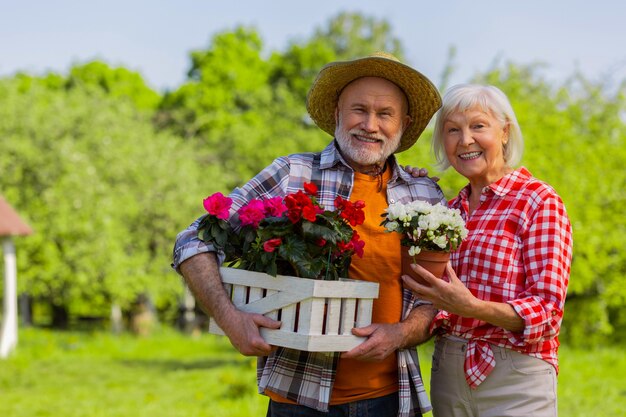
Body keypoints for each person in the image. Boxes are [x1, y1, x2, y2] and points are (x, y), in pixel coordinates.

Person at [172, 52, 445, 417]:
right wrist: (228, 317)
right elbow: (192, 240)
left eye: (385, 114)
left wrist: (401, 333)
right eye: (358, 110)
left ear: (404, 123)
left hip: (390, 398)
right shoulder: (293, 174)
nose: (370, 124)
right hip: (298, 398)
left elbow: (436, 297)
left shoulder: (424, 196)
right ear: (336, 113)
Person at [403, 84, 573, 417]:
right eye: (452, 130)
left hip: (515, 377)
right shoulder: (447, 212)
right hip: (449, 370)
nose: (465, 140)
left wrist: (473, 307)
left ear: (505, 132)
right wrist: (407, 190)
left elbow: (548, 313)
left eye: (478, 126)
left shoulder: (537, 201)